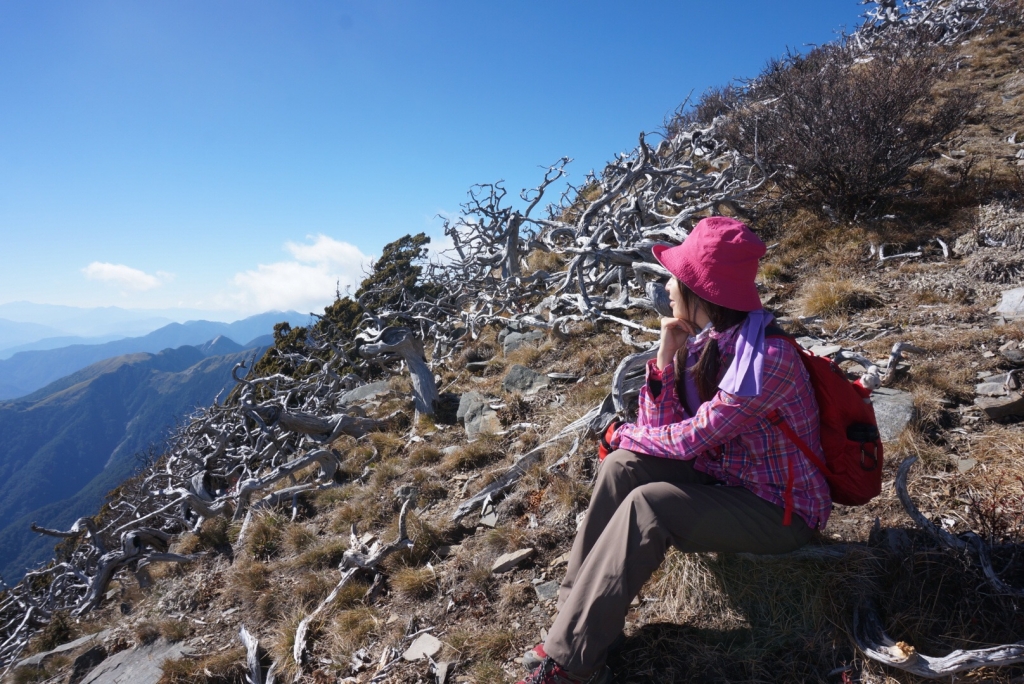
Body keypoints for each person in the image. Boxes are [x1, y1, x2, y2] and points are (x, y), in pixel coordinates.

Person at [516, 216, 831, 684]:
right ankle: (573, 624)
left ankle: (572, 665)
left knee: (648, 504)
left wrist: (624, 433)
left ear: (700, 291)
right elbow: (661, 430)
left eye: (675, 276)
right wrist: (665, 356)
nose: (666, 285)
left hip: (781, 512)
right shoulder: (716, 343)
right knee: (623, 468)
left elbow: (690, 440)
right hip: (732, 482)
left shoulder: (765, 359)